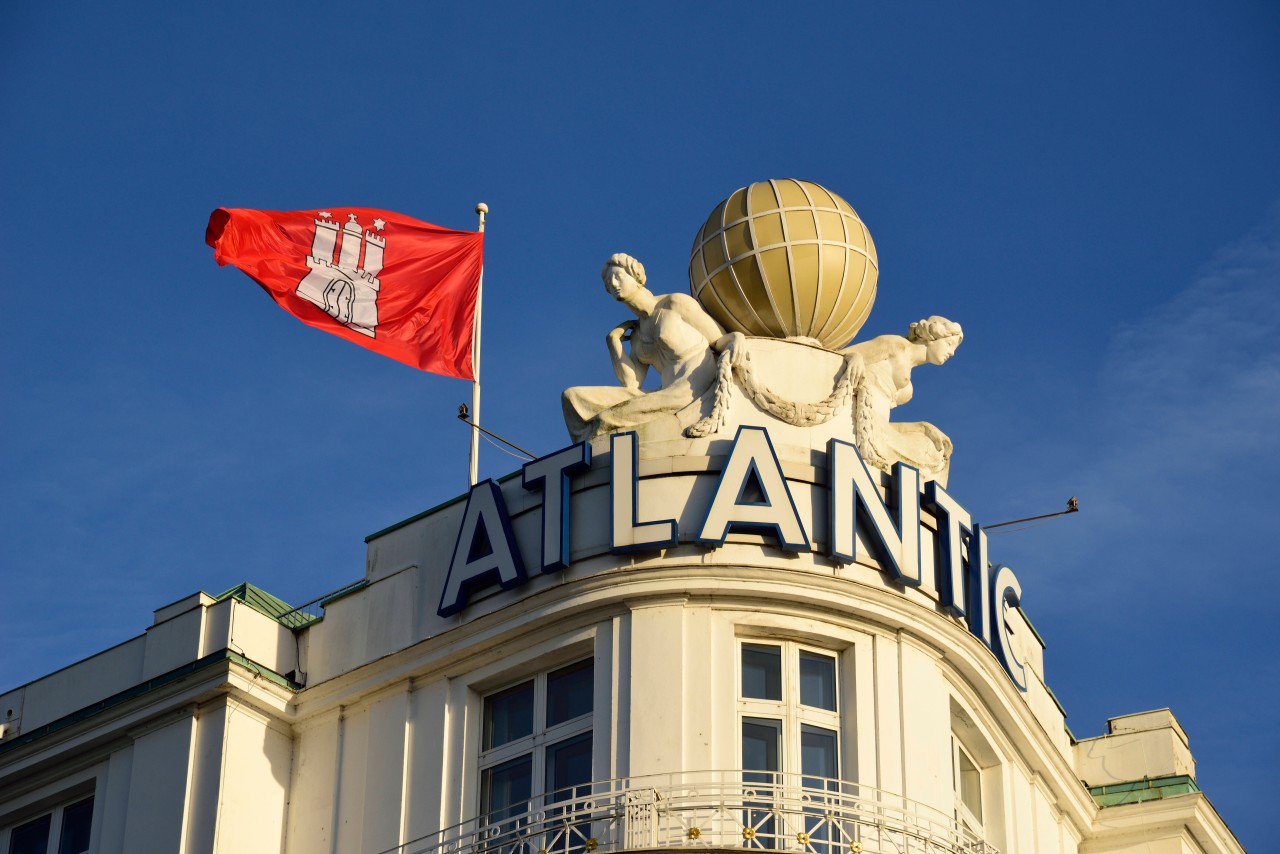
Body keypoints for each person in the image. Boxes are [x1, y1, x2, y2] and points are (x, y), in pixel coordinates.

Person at [562, 253, 742, 442]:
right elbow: (632, 383)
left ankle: (594, 456)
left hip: (687, 389)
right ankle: (584, 458)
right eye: (609, 282)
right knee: (572, 397)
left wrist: (737, 339)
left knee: (605, 419)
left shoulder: (674, 303)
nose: (613, 284)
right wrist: (613, 341)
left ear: (636, 276)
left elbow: (718, 340)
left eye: (618, 277)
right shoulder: (638, 334)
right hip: (663, 392)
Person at [843, 316, 963, 485]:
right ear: (931, 337)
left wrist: (923, 427)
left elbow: (882, 420)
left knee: (938, 451)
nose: (952, 352)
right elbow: (839, 357)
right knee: (925, 459)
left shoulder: (908, 384)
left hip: (877, 427)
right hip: (859, 421)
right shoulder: (896, 346)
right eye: (949, 344)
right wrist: (854, 358)